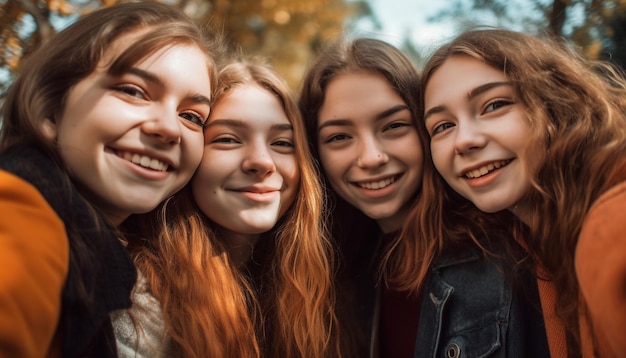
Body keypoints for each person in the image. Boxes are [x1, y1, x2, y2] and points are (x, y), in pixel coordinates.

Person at [300, 37, 548, 357]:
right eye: (339, 137)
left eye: (393, 126)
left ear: (426, 129)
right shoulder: (337, 269)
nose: (371, 157)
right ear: (315, 153)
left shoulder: (508, 247)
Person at [0, 2, 222, 357]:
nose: (168, 128)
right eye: (133, 91)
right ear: (50, 109)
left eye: (192, 116)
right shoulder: (20, 206)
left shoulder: (159, 261)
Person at [114, 58, 340, 358]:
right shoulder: (137, 296)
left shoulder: (310, 288)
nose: (261, 161)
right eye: (228, 139)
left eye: (283, 143)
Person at [422, 28, 626, 357]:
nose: (463, 141)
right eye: (443, 126)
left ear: (556, 101)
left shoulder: (615, 218)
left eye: (494, 105)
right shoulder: (526, 239)